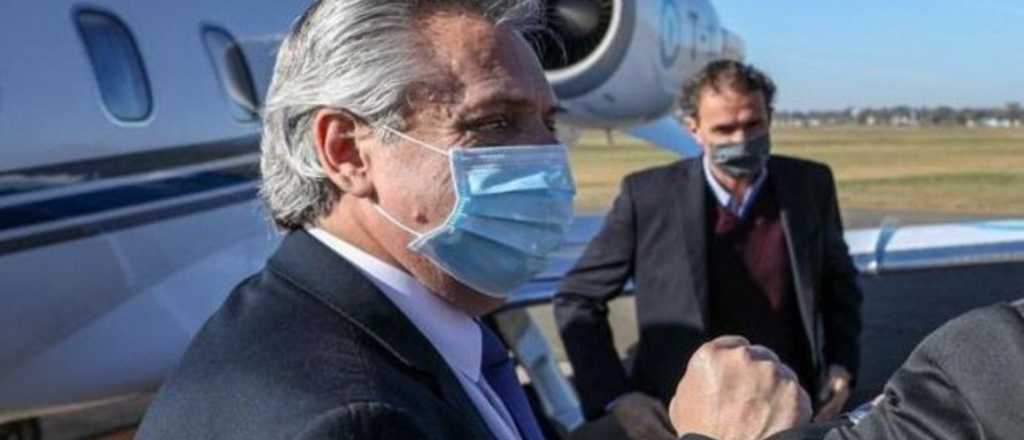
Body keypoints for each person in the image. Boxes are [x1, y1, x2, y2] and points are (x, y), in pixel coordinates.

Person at [135, 1, 808, 439]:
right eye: (493, 124)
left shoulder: (394, 328)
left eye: (548, 123)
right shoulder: (348, 420)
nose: (550, 163)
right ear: (346, 152)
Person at [553, 60, 863, 438]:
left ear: (770, 118)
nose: (741, 139)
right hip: (682, 418)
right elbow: (577, 298)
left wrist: (841, 363)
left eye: (753, 125)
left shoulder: (809, 184)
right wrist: (618, 398)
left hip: (791, 410)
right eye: (724, 129)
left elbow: (838, 281)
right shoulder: (648, 197)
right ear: (694, 129)